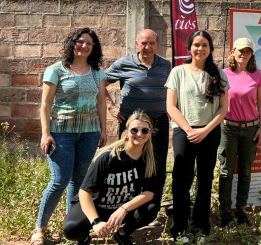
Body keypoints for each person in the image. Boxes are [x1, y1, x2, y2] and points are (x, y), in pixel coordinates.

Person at [31, 28, 107, 245]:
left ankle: (73, 229)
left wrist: (103, 129)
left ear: (94, 48)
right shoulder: (56, 70)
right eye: (80, 42)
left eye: (89, 43)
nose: (84, 46)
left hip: (89, 133)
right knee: (59, 180)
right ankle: (40, 228)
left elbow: (101, 102)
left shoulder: (97, 72)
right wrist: (46, 133)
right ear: (72, 43)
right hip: (61, 133)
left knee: (80, 182)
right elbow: (45, 104)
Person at [165, 30, 229, 241]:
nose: (200, 49)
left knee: (205, 179)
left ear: (210, 49)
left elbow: (223, 109)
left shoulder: (218, 73)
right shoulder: (178, 72)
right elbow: (171, 106)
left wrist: (205, 130)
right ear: (189, 47)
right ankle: (180, 229)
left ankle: (202, 226)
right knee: (181, 180)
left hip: (209, 133)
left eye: (204, 45)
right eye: (196, 45)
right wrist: (190, 130)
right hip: (184, 133)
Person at [104, 29, 171, 220]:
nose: (147, 47)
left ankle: (150, 210)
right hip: (131, 126)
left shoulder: (165, 66)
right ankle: (124, 210)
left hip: (158, 124)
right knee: (126, 166)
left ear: (158, 45)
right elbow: (99, 82)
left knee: (157, 166)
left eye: (151, 43)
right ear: (137, 44)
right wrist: (111, 106)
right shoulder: (124, 63)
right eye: (144, 43)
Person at [62, 111, 157, 245]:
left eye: (144, 130)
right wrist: (95, 221)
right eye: (134, 130)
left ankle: (122, 234)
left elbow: (149, 193)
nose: (140, 134)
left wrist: (124, 209)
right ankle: (84, 238)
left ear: (150, 133)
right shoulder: (108, 157)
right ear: (127, 132)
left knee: (151, 209)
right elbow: (84, 192)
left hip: (122, 208)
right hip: (97, 206)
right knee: (71, 228)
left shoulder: (148, 159)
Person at [218, 38, 261, 227]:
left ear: (251, 54)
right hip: (228, 128)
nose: (243, 54)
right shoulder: (224, 74)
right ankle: (225, 212)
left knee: (245, 171)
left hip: (251, 129)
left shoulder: (257, 76)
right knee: (226, 171)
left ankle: (240, 210)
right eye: (240, 50)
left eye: (247, 51)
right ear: (233, 51)